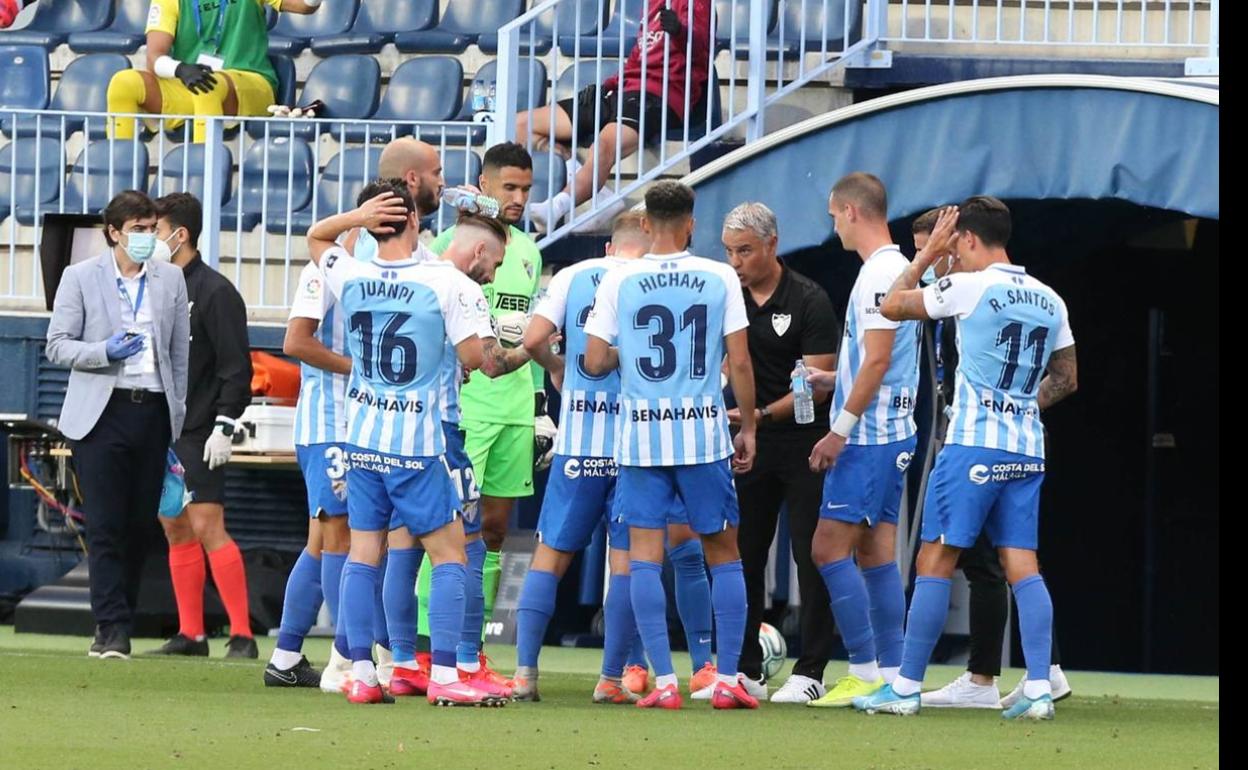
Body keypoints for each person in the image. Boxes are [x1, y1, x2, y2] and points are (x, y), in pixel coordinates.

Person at [855, 197, 1078, 720]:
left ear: (969, 239)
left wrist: (925, 252)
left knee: (936, 558)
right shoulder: (1051, 298)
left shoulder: (970, 285)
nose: (946, 255)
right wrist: (1018, 406)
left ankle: (905, 687)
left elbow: (891, 305)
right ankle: (1040, 688)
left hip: (973, 444)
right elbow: (1067, 378)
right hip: (1027, 446)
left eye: (952, 245)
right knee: (1023, 565)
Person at [306, 181, 512, 706]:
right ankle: (446, 675)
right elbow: (475, 359)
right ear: (418, 222)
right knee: (449, 557)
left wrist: (355, 216)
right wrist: (498, 337)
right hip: (419, 444)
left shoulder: (352, 274)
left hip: (362, 439)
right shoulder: (446, 281)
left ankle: (362, 675)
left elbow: (314, 236)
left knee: (363, 554)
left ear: (376, 222)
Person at [583, 180, 759, 710]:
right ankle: (725, 679)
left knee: (643, 559)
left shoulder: (620, 279)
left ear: (643, 224)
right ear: (692, 224)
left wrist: (625, 355)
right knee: (723, 555)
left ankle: (661, 682)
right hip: (703, 434)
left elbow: (593, 362)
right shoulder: (719, 275)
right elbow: (742, 362)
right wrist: (747, 426)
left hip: (641, 440)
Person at [415, 143, 546, 684]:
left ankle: (477, 643)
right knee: (446, 531)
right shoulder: (449, 248)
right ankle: (428, 643)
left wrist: (539, 406)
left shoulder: (531, 253)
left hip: (514, 408)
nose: (517, 199)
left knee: (496, 531)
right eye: (508, 188)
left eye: (526, 189)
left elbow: (533, 335)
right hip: (468, 408)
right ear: (484, 185)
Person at [46, 190, 189, 660]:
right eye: (138, 231)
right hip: (101, 414)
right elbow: (58, 345)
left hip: (150, 409)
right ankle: (112, 626)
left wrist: (175, 419)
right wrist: (102, 351)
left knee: (139, 525)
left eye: (153, 229)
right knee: (105, 523)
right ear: (113, 232)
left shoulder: (170, 279)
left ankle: (119, 616)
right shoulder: (80, 276)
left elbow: (178, 356)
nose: (148, 238)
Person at [800, 174, 922, 709]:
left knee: (828, 548)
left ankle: (866, 668)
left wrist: (837, 430)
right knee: (875, 554)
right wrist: (833, 380)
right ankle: (892, 672)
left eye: (833, 216)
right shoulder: (896, 269)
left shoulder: (879, 273)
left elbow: (876, 359)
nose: (833, 228)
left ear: (851, 211)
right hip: (894, 430)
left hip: (869, 436)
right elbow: (879, 359)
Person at [720, 202, 840, 703]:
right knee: (742, 553)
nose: (736, 262)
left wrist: (758, 416)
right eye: (728, 251)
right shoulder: (728, 296)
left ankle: (811, 671)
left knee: (811, 555)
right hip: (748, 443)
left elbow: (820, 385)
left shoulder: (809, 299)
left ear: (772, 244)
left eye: (744, 251)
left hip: (802, 443)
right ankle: (745, 669)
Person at [146, 192, 256, 659]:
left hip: (199, 426)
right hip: (160, 425)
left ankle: (243, 635)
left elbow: (237, 367)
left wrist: (225, 425)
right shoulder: (151, 285)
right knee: (173, 524)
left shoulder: (216, 292)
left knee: (208, 523)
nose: (148, 239)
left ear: (179, 234)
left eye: (154, 231)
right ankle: (190, 633)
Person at [523, 0, 712, 231]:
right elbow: (638, 57)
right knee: (523, 125)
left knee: (602, 145)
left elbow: (702, 50)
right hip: (624, 90)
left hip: (659, 94)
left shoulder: (697, 3)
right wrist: (608, 85)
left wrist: (680, 32)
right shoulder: (652, 5)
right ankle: (598, 192)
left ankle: (557, 206)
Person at [108, 0, 321, 144]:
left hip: (251, 81)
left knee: (208, 86)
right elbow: (154, 57)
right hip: (193, 82)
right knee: (123, 83)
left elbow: (305, 6)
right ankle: (118, 194)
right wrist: (180, 69)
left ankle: (202, 187)